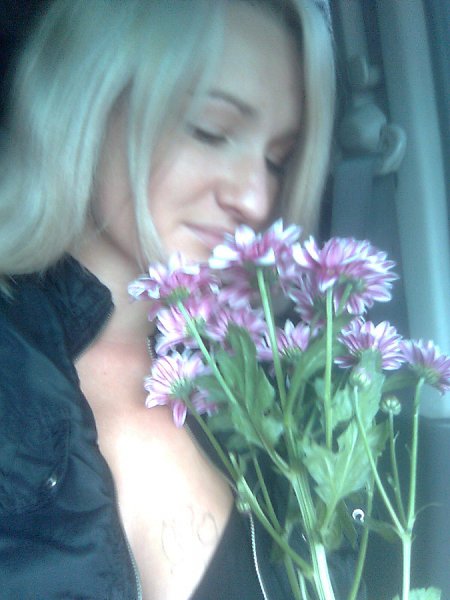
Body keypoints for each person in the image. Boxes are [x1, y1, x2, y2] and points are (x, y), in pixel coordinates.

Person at [0, 1, 361, 598]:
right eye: (211, 130)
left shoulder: (272, 392)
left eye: (277, 161)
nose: (255, 197)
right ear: (88, 100)